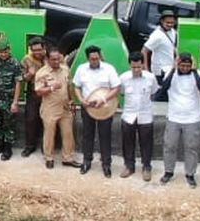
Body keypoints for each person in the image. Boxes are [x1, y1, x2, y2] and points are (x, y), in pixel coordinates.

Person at [72, 45, 122, 177]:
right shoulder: (81, 69)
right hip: (87, 106)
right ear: (87, 58)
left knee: (105, 135)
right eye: (92, 59)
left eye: (97, 58)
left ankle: (106, 164)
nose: (95, 60)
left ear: (100, 56)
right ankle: (87, 161)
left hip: (105, 106)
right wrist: (81, 99)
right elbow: (76, 86)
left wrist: (104, 99)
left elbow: (116, 87)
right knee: (87, 135)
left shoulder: (108, 68)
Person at [159, 53, 200, 187]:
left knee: (191, 148)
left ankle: (190, 174)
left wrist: (195, 71)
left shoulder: (199, 74)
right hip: (174, 117)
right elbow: (164, 88)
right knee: (169, 146)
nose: (185, 68)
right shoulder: (171, 72)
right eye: (182, 65)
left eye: (188, 66)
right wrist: (174, 69)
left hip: (192, 118)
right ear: (178, 64)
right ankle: (168, 172)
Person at [34, 49, 79, 169]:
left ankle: (68, 158)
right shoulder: (42, 73)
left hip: (65, 107)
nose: (57, 61)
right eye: (53, 59)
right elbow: (38, 91)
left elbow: (69, 86)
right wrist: (52, 87)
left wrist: (71, 101)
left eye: (58, 58)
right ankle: (49, 158)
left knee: (68, 133)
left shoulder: (65, 69)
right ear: (48, 60)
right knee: (49, 134)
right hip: (50, 108)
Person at [118, 51, 157, 180]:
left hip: (145, 115)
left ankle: (146, 167)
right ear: (130, 65)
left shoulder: (150, 77)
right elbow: (122, 93)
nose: (136, 70)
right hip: (128, 114)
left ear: (143, 65)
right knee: (127, 142)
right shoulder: (123, 78)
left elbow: (153, 93)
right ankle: (129, 166)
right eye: (133, 67)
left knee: (146, 143)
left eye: (139, 67)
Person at [0, 39, 23, 161]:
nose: (3, 54)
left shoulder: (15, 63)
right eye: (1, 52)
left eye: (5, 51)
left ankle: (8, 149)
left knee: (8, 125)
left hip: (8, 100)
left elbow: (18, 83)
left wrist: (15, 102)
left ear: (9, 50)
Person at [18, 37, 47, 156]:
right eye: (34, 50)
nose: (37, 53)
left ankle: (46, 146)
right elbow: (21, 78)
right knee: (31, 119)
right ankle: (29, 146)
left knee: (47, 120)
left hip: (48, 93)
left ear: (44, 48)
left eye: (39, 50)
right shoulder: (26, 60)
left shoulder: (50, 57)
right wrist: (30, 74)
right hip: (33, 92)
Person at [144, 9, 179, 88]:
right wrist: (146, 69)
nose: (170, 25)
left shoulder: (173, 31)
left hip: (169, 68)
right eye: (167, 22)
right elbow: (144, 50)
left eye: (172, 23)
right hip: (159, 70)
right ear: (162, 21)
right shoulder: (157, 35)